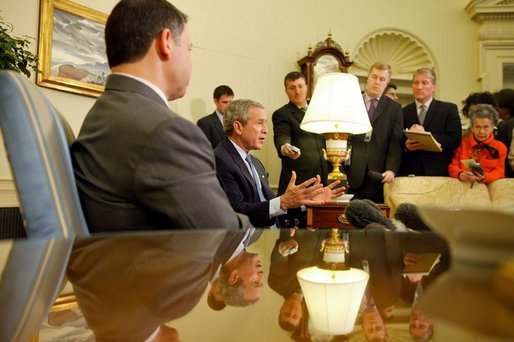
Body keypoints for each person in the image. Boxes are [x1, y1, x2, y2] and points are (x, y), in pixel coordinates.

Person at [71, 0, 250, 233]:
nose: (190, 60)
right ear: (166, 42)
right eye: (189, 49)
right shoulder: (165, 131)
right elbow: (224, 232)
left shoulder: (105, 112)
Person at [214, 99, 343, 228]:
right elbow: (236, 211)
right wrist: (282, 202)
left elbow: (270, 207)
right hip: (247, 243)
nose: (266, 130)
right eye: (260, 123)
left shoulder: (255, 163)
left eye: (265, 123)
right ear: (238, 127)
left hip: (273, 238)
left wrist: (305, 202)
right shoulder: (220, 159)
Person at [272, 71, 330, 228]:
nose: (297, 91)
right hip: (299, 185)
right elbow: (281, 136)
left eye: (300, 86)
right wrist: (285, 147)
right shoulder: (282, 114)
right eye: (292, 88)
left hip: (323, 182)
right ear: (286, 90)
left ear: (307, 86)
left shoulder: (320, 110)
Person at [346, 62, 404, 203]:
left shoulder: (394, 108)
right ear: (368, 77)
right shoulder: (351, 101)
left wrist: (391, 169)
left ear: (387, 82)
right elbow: (343, 136)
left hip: (379, 174)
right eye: (374, 77)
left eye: (382, 79)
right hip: (351, 171)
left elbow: (395, 143)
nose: (377, 82)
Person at [398, 67, 462, 176]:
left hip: (440, 171)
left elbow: (455, 139)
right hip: (411, 172)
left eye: (424, 83)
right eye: (416, 83)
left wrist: (427, 136)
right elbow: (396, 140)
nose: (419, 87)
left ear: (433, 87)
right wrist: (406, 146)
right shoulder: (403, 111)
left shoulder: (448, 109)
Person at [448, 104, 507, 185]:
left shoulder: (500, 147)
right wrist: (460, 174)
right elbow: (452, 166)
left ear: (492, 127)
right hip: (463, 185)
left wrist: (485, 177)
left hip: (487, 188)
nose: (482, 132)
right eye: (478, 127)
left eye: (486, 127)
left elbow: (500, 172)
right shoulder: (461, 144)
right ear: (472, 128)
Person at [494, 88, 514, 177]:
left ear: (507, 108)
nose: (496, 109)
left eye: (498, 106)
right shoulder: (503, 123)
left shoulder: (509, 125)